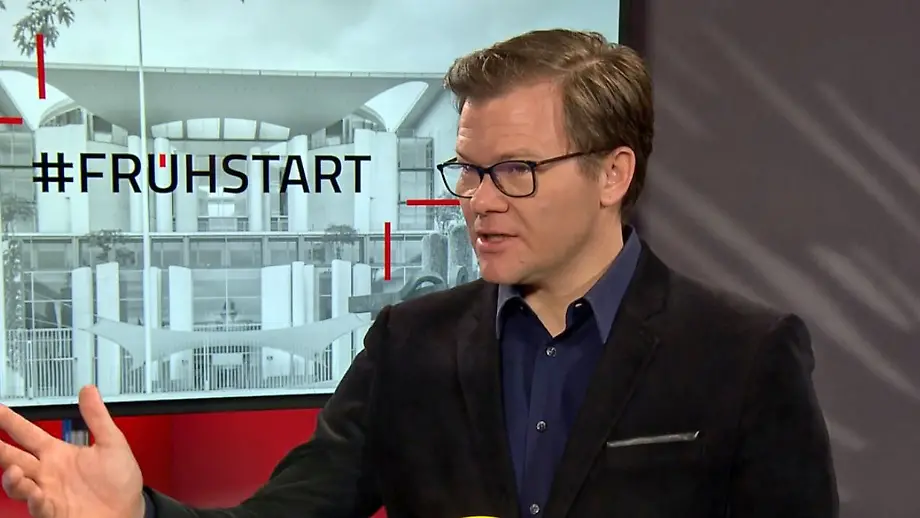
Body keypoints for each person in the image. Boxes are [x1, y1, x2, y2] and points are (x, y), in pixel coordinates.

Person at [0, 29, 838, 518]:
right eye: (468, 170)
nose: (479, 201)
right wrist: (137, 510)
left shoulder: (743, 355)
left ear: (612, 174)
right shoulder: (410, 347)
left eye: (516, 171)